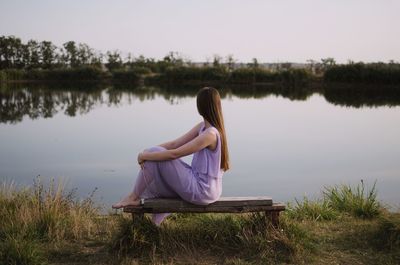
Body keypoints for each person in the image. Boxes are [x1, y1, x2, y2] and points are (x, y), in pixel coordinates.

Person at [112, 87, 230, 226]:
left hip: (202, 191)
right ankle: (150, 214)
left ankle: (133, 197)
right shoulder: (203, 127)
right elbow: (175, 143)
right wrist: (148, 152)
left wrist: (145, 155)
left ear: (200, 107)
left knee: (155, 155)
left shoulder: (210, 135)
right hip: (204, 187)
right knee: (154, 153)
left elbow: (176, 153)